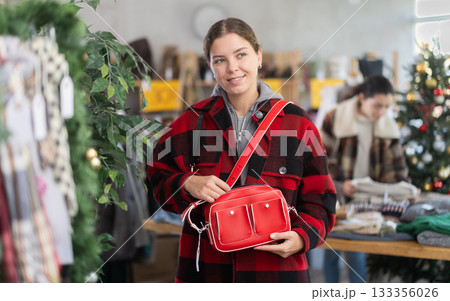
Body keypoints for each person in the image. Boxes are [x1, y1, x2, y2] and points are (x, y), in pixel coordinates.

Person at [147, 18, 336, 283]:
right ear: (211, 66)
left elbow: (321, 199)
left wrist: (302, 237)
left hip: (277, 273)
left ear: (258, 56)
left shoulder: (298, 123)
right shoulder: (191, 122)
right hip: (207, 272)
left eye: (241, 55)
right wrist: (187, 182)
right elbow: (157, 178)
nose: (232, 68)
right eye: (220, 60)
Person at [320, 75, 410, 283]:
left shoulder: (387, 125)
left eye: (386, 106)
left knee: (358, 250)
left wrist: (404, 191)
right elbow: (319, 159)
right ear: (362, 97)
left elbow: (397, 167)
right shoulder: (334, 117)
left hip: (367, 198)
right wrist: (341, 186)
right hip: (337, 194)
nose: (382, 112)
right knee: (331, 249)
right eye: (377, 106)